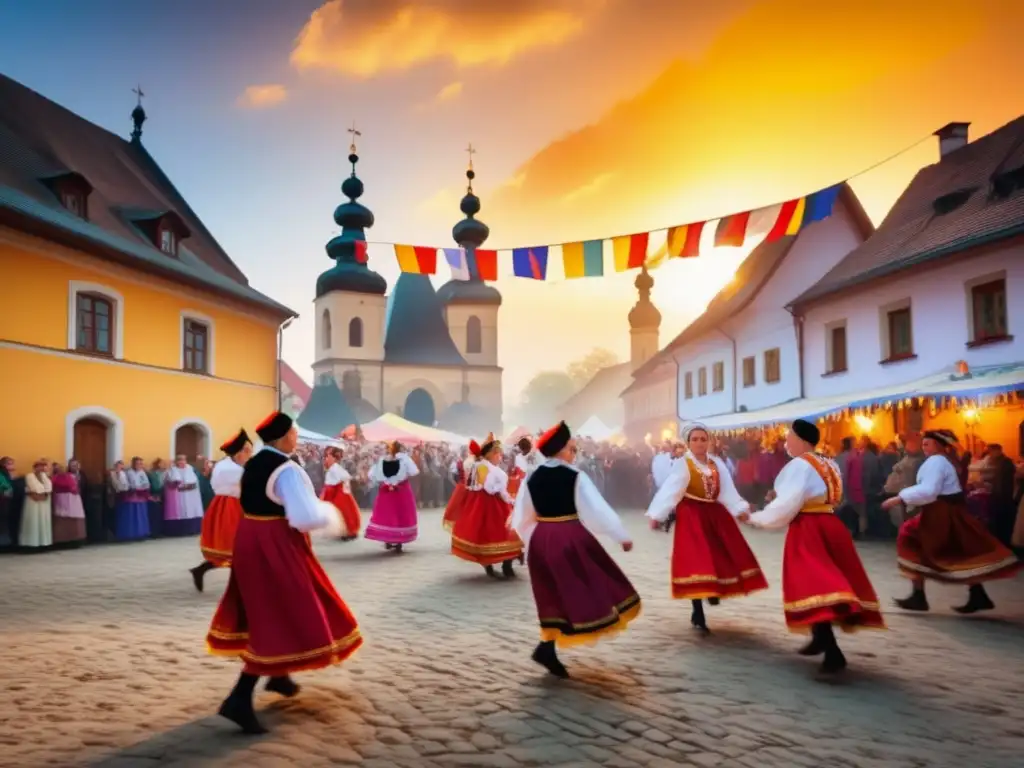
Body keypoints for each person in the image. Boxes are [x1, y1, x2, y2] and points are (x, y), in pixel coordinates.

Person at [206, 411, 362, 734]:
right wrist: (330, 515)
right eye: (294, 432)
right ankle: (239, 698)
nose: (297, 437)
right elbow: (303, 517)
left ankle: (279, 675)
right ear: (282, 437)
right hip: (277, 544)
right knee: (285, 608)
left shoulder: (252, 464)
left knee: (265, 609)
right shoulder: (287, 469)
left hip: (249, 540)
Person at [744, 419, 885, 675]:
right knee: (817, 580)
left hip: (809, 528)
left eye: (789, 437)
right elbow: (817, 494)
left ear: (800, 439)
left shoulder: (799, 464)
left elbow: (789, 504)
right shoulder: (828, 462)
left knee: (813, 582)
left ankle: (832, 650)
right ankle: (820, 636)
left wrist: (757, 518)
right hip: (831, 524)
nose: (786, 442)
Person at [511, 421, 640, 679]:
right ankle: (550, 644)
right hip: (569, 536)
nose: (574, 453)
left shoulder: (532, 477)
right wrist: (620, 535)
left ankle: (547, 646)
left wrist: (532, 540)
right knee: (588, 584)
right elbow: (596, 510)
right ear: (560, 450)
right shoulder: (575, 476)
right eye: (572, 449)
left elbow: (522, 517)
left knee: (550, 593)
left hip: (541, 539)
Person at [646, 423, 767, 633]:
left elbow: (727, 489)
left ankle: (712, 589)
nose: (700, 443)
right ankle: (698, 610)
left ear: (708, 441)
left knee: (720, 554)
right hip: (691, 515)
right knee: (695, 559)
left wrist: (739, 508)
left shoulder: (717, 463)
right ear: (688, 443)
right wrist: (657, 514)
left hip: (714, 514)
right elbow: (671, 491)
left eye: (703, 439)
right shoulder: (684, 464)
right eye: (695, 439)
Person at [883, 430, 1021, 614]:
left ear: (939, 446)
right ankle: (975, 593)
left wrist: (899, 498)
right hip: (947, 511)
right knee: (960, 549)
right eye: (923, 444)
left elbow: (929, 490)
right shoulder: (944, 460)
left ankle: (920, 595)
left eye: (927, 444)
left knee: (912, 538)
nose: (924, 447)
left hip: (942, 512)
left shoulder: (937, 461)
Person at [452, 433, 523, 579]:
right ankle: (506, 565)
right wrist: (511, 501)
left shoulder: (476, 465)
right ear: (491, 454)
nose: (500, 457)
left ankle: (490, 565)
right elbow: (493, 489)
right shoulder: (493, 470)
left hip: (477, 504)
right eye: (498, 454)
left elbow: (472, 485)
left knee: (482, 535)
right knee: (505, 533)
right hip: (493, 505)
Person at [191, 429, 253, 592]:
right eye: (246, 451)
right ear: (237, 453)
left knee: (235, 549)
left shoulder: (225, 465)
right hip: (231, 507)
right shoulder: (232, 470)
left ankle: (201, 571)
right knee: (236, 547)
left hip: (227, 505)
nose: (248, 455)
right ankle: (242, 586)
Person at [365, 441, 420, 552]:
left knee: (388, 515)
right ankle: (398, 540)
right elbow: (414, 471)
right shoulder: (404, 459)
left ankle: (388, 539)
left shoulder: (382, 460)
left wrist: (388, 482)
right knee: (400, 514)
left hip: (387, 491)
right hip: (401, 491)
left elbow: (372, 475)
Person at [322, 447, 361, 541]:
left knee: (344, 512)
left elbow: (345, 478)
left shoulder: (336, 468)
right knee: (343, 512)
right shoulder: (334, 468)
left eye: (328, 456)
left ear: (334, 458)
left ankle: (349, 531)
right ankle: (347, 531)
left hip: (340, 493)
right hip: (339, 492)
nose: (326, 458)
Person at [442, 447, 473, 532]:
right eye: (465, 451)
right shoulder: (463, 462)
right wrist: (456, 485)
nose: (466, 453)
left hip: (464, 487)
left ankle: (463, 525)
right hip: (465, 487)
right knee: (462, 507)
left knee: (463, 507)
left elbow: (451, 475)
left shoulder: (461, 462)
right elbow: (450, 475)